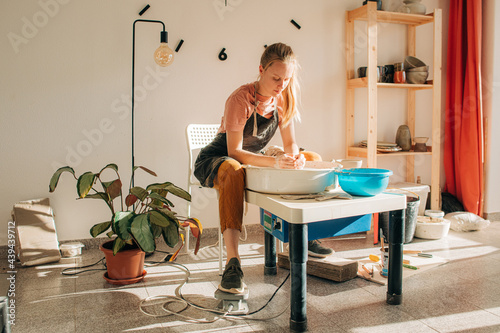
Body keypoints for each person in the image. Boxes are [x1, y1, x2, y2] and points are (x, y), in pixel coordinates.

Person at [194, 43, 332, 294]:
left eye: (287, 79)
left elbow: (290, 143)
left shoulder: (284, 97)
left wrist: (295, 157)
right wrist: (276, 162)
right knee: (233, 170)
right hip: (219, 158)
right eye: (276, 78)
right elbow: (234, 151)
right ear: (261, 70)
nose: (281, 85)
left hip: (253, 157)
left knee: (312, 156)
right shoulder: (241, 98)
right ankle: (233, 263)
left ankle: (301, 237)